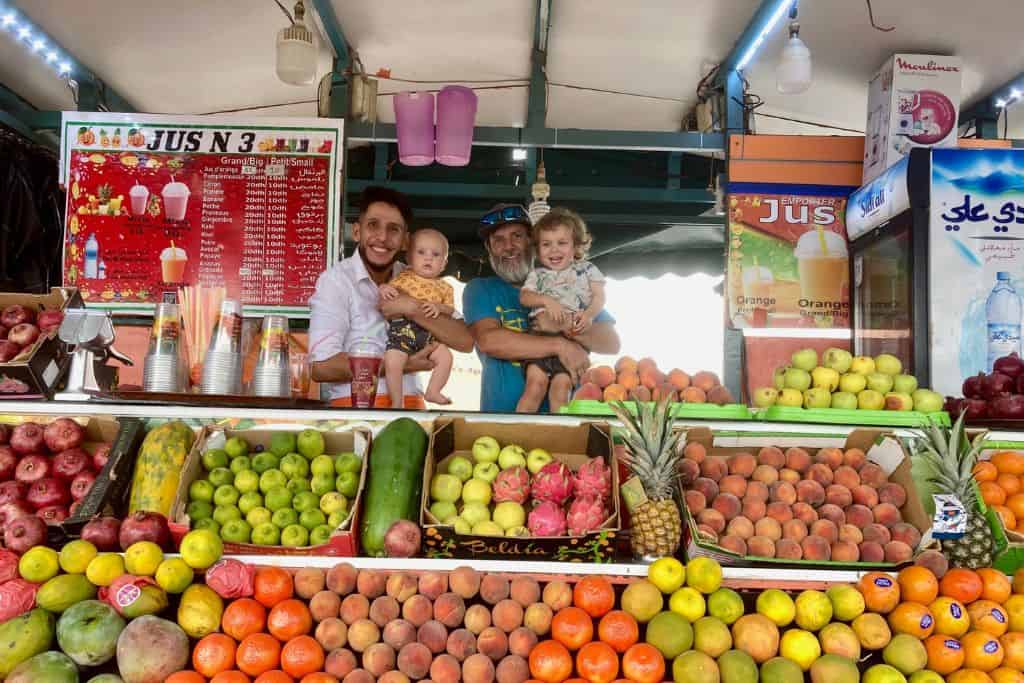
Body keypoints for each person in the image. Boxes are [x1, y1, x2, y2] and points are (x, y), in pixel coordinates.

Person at [309, 186, 472, 408]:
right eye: (373, 225)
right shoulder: (335, 281)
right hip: (355, 408)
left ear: (406, 241)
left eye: (393, 229)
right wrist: (405, 363)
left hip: (412, 406)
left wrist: (411, 307)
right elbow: (322, 367)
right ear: (357, 231)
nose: (383, 237)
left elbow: (464, 341)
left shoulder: (416, 278)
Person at [463, 203, 620, 413]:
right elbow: (489, 341)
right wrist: (561, 345)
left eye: (517, 236)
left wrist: (562, 324)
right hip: (501, 427)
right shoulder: (481, 289)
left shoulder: (573, 283)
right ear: (489, 249)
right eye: (498, 240)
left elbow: (611, 342)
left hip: (566, 426)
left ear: (531, 242)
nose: (508, 246)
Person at [517, 208, 605, 413]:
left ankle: (562, 435)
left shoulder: (587, 270)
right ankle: (518, 430)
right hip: (540, 336)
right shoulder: (537, 275)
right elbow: (525, 297)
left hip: (572, 339)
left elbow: (599, 296)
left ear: (575, 246)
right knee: (534, 386)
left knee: (561, 388)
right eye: (546, 244)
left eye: (562, 243)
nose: (554, 250)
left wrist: (589, 315)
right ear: (538, 250)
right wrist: (546, 300)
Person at [379, 228, 456, 407]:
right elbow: (387, 297)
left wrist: (439, 307)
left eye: (436, 254)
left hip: (429, 337)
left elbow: (451, 310)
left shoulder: (445, 287)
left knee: (446, 357)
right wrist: (384, 289)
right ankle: (397, 402)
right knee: (392, 361)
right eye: (421, 252)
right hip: (402, 332)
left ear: (443, 264)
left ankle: (433, 391)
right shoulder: (403, 278)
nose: (428, 258)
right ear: (409, 258)